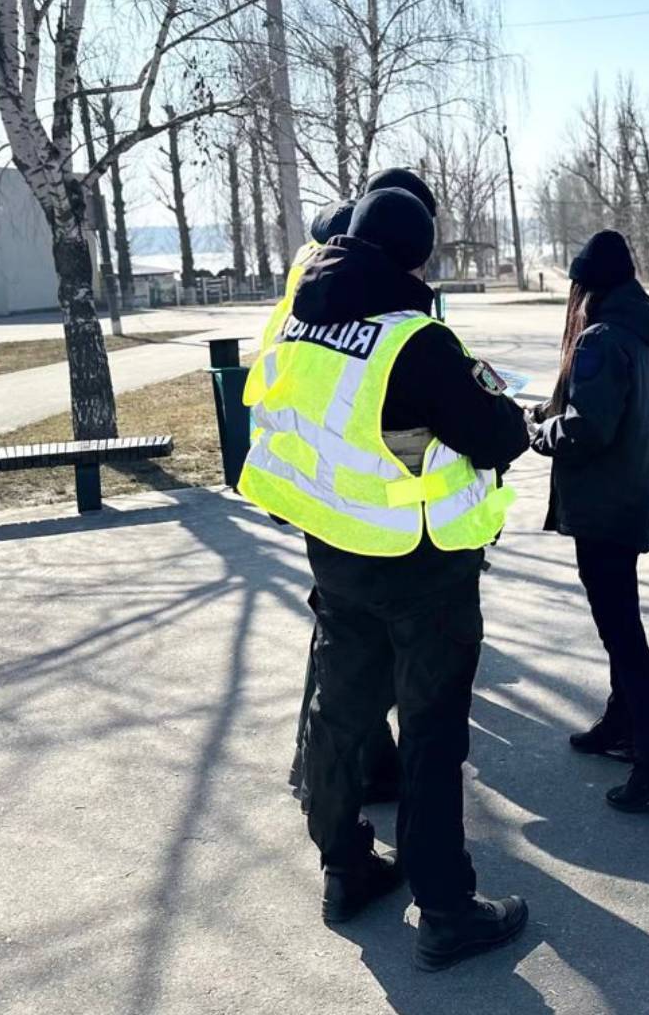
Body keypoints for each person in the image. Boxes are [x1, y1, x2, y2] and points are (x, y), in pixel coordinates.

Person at [239, 187, 531, 970]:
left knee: (342, 712)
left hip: (336, 549)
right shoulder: (416, 340)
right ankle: (445, 910)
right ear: (419, 256)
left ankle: (345, 867)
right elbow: (501, 430)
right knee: (432, 735)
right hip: (421, 564)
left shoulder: (302, 321)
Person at [282, 171, 441, 809]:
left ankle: (332, 812)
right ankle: (346, 784)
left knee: (338, 663)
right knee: (349, 672)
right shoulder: (376, 298)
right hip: (370, 512)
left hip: (322, 499)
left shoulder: (317, 282)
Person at [527, 230, 649, 813]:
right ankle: (622, 724)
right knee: (618, 622)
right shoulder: (637, 330)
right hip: (628, 494)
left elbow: (586, 429)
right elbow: (607, 412)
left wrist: (537, 431)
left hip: (604, 503)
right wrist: (552, 413)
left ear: (584, 289)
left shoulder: (598, 338)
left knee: (622, 631)